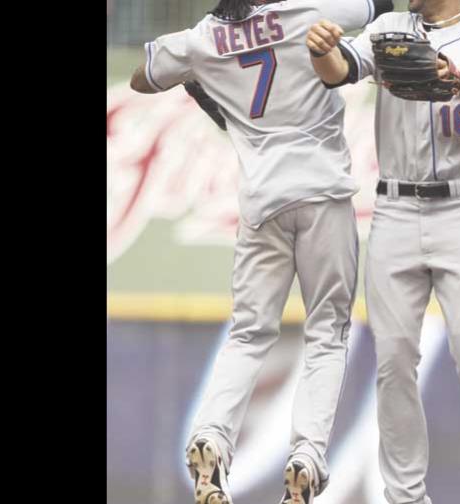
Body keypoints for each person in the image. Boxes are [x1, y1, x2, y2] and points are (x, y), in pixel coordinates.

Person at [129, 1, 393, 503]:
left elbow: (143, 77)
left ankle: (211, 435)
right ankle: (307, 454)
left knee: (248, 333)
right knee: (328, 332)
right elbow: (380, 5)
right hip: (322, 193)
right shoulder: (306, 8)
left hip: (261, 201)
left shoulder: (203, 38)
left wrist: (199, 70)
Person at [306, 1, 460, 502]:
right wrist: (321, 51)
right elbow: (340, 70)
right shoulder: (388, 28)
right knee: (393, 361)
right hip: (395, 209)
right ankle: (405, 496)